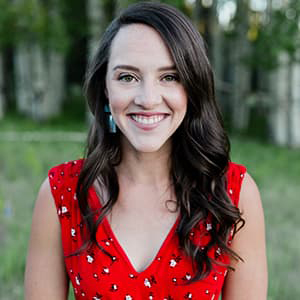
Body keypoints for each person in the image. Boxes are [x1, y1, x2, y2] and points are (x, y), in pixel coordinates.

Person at [24, 2, 267, 299]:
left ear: (192, 87)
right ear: (105, 88)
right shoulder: (61, 193)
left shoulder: (234, 193)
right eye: (128, 77)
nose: (148, 99)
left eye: (170, 77)